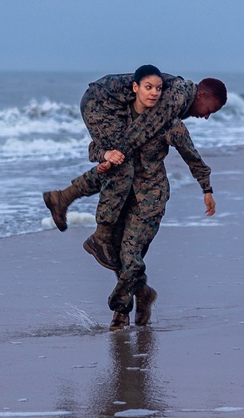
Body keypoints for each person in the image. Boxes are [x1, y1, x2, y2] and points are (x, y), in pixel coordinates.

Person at [42, 65, 227, 268]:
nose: (207, 116)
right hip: (100, 104)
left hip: (111, 106)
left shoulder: (182, 100)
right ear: (201, 95)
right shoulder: (177, 99)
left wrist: (108, 157)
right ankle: (100, 238)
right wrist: (107, 156)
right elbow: (142, 128)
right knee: (122, 166)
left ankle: (62, 198)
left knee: (120, 162)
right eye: (210, 110)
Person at [107, 112, 215, 330]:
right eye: (148, 87)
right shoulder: (117, 118)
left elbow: (191, 155)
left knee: (130, 253)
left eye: (157, 88)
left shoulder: (168, 122)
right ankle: (143, 293)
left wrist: (206, 188)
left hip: (150, 199)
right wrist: (104, 155)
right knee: (118, 255)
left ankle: (120, 312)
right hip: (119, 196)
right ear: (136, 88)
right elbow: (96, 148)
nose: (153, 92)